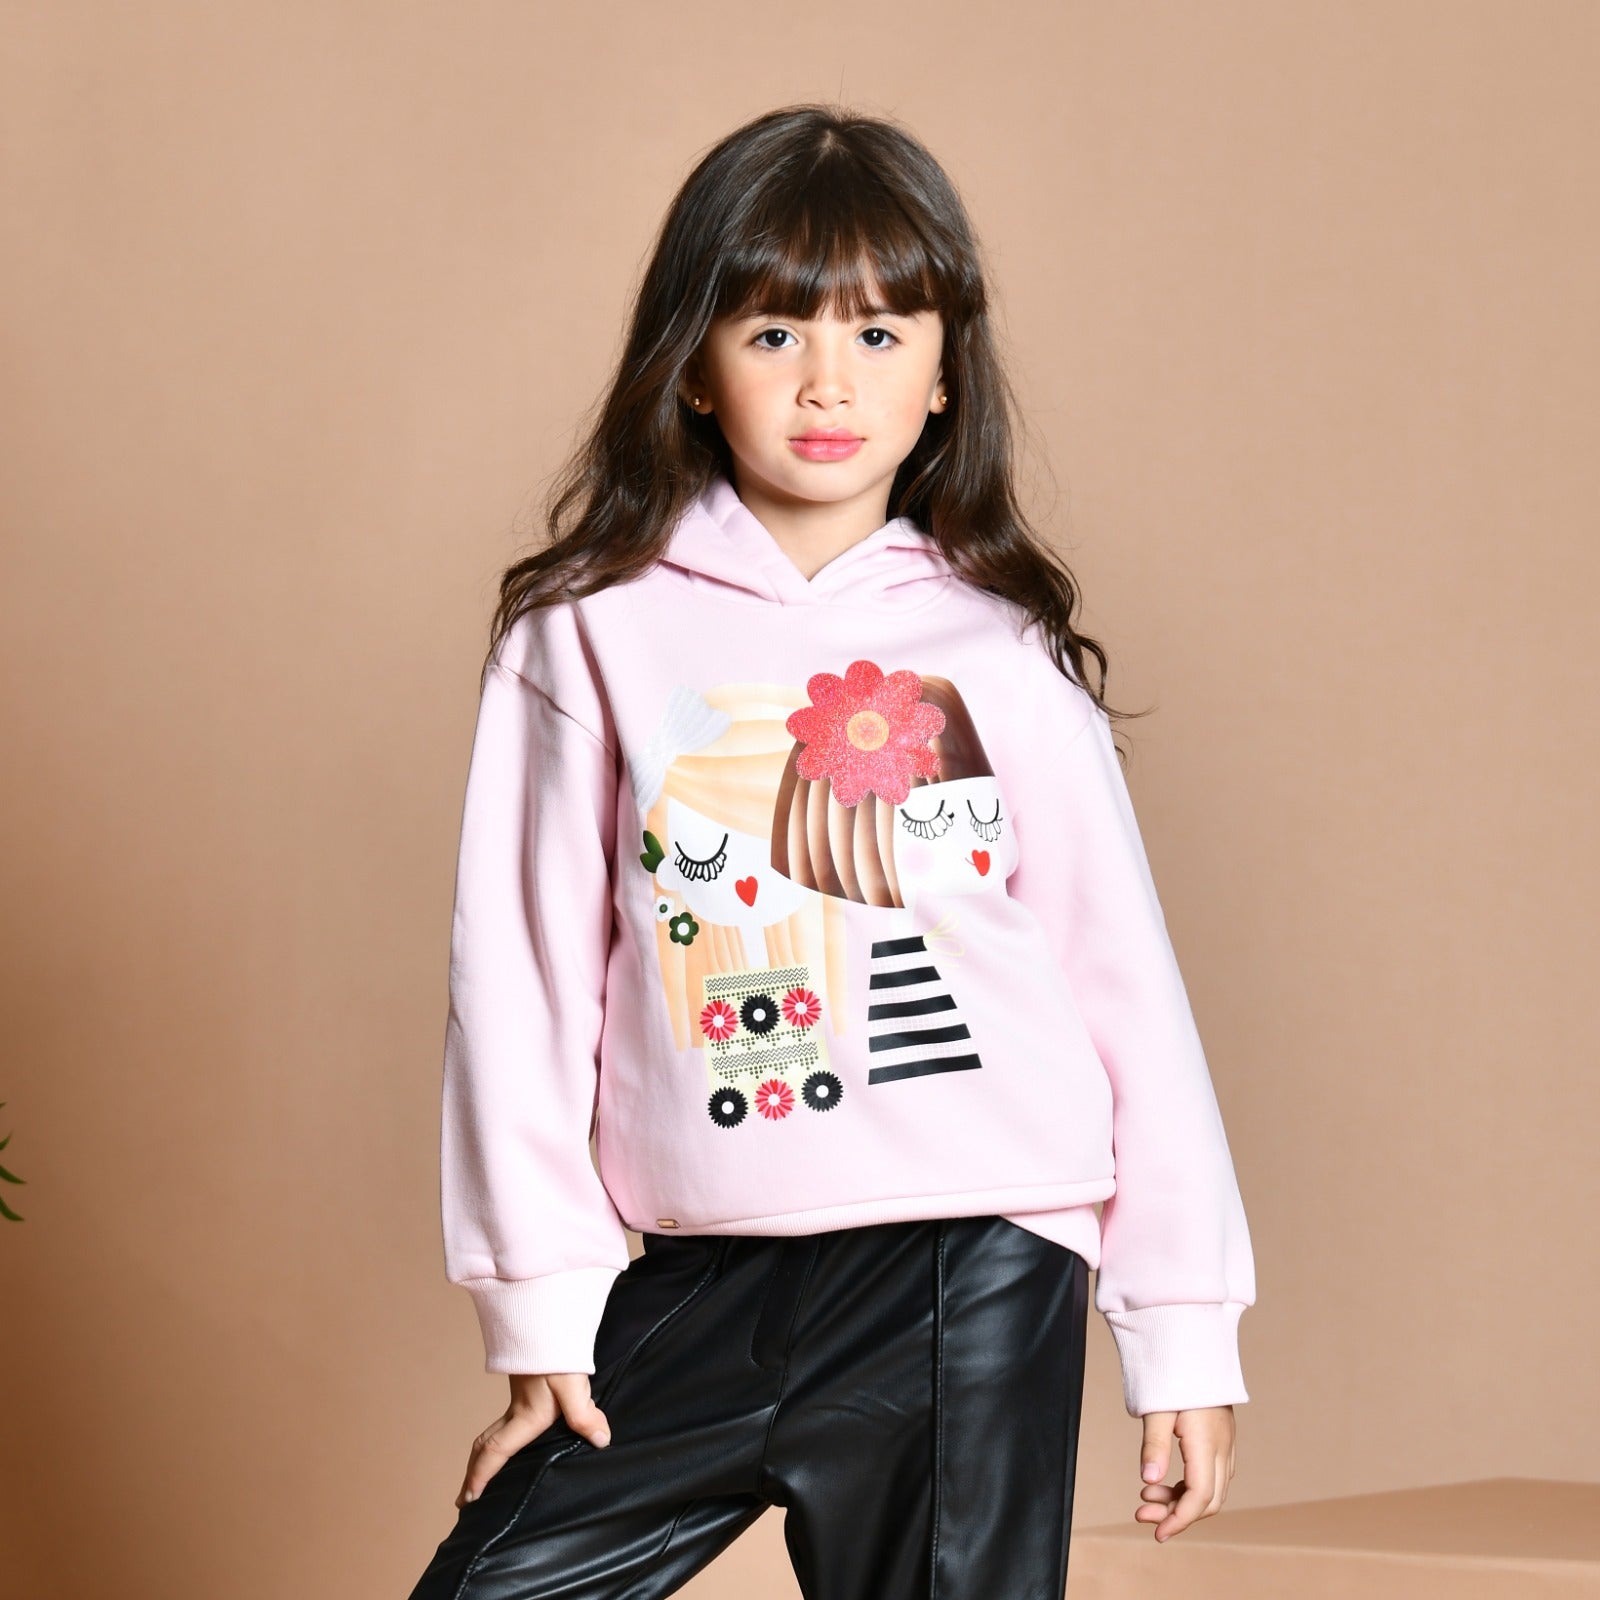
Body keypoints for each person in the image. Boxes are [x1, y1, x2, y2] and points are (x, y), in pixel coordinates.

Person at [407, 101, 1256, 1600]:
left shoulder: (999, 650)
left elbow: (1124, 986)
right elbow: (524, 982)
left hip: (970, 1267)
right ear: (693, 366)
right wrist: (541, 1307)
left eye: (878, 333)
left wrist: (1180, 1324)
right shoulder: (588, 631)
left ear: (944, 371)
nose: (827, 382)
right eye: (773, 331)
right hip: (700, 1273)